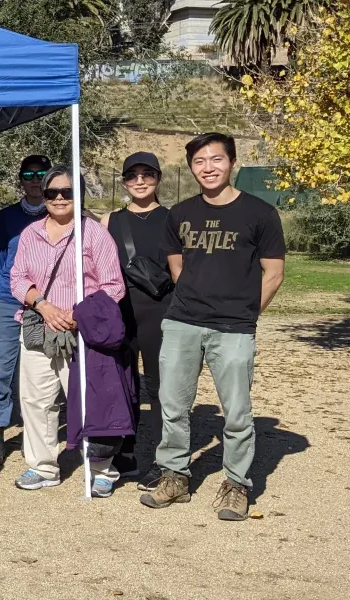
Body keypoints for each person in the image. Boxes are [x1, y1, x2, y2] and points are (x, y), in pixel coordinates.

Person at [140, 132, 286, 521]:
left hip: (234, 328)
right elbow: (177, 264)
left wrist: (246, 313)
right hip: (183, 322)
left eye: (216, 160)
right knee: (173, 405)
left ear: (232, 162)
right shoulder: (180, 213)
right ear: (191, 168)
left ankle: (236, 484)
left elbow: (273, 273)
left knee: (236, 412)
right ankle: (174, 476)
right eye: (200, 162)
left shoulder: (260, 214)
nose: (208, 168)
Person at [9, 166, 127, 496]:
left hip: (82, 331)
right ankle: (43, 465)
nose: (59, 198)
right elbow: (17, 278)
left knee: (89, 399)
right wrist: (44, 306)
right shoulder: (31, 234)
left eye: (67, 192)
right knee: (36, 400)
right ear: (43, 197)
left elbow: (113, 286)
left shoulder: (94, 234)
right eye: (52, 193)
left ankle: (102, 467)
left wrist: (80, 315)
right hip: (38, 327)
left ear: (79, 195)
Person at [100, 151, 173, 485]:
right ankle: (124, 455)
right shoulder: (109, 221)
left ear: (158, 178)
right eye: (132, 175)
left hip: (163, 312)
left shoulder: (175, 218)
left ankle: (163, 459)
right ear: (124, 181)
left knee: (161, 389)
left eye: (147, 174)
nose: (140, 181)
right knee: (123, 387)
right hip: (122, 312)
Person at [0, 155, 52, 466]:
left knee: (41, 370)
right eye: (28, 174)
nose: (35, 179)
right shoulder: (8, 216)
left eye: (41, 173)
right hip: (9, 298)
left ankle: (35, 434)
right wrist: (0, 294)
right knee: (0, 366)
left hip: (47, 301)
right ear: (21, 179)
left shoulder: (59, 213)